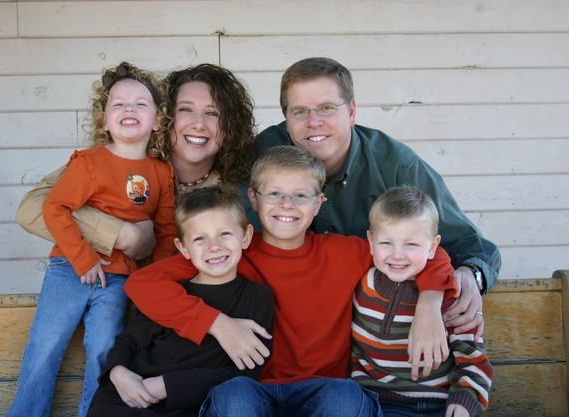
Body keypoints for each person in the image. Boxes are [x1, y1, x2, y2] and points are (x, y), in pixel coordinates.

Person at [126, 146, 458, 416]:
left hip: (323, 389)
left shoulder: (346, 252)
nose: (287, 205)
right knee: (233, 397)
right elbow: (142, 284)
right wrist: (216, 324)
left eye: (301, 195)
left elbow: (429, 255)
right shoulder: (230, 253)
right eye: (274, 193)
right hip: (253, 387)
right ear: (253, 199)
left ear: (318, 203)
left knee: (346, 398)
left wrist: (430, 304)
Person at [255, 57, 501, 340]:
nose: (314, 122)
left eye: (327, 108)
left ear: (351, 111)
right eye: (299, 112)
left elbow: (467, 244)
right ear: (286, 118)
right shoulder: (263, 158)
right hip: (288, 332)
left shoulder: (397, 167)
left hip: (380, 333)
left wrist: (470, 275)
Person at [7, 62, 177, 417]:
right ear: (104, 120)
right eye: (119, 104)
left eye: (140, 104)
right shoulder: (89, 162)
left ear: (158, 120)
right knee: (45, 345)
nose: (129, 109)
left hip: (118, 279)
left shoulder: (162, 173)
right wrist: (83, 259)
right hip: (70, 268)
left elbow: (165, 234)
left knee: (103, 350)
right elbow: (55, 207)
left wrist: (161, 283)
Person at [15, 63, 256, 262]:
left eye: (212, 113)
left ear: (230, 127)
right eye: (185, 109)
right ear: (162, 116)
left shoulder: (240, 193)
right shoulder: (118, 159)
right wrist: (123, 235)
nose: (199, 124)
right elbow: (31, 209)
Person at [86, 185, 274, 417]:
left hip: (188, 403)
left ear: (245, 236)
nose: (214, 247)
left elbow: (244, 374)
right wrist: (118, 372)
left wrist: (167, 385)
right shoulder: (171, 292)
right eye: (200, 238)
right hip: (133, 395)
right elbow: (130, 341)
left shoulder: (257, 297)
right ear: (183, 249)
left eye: (224, 233)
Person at [351, 186, 492, 417]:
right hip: (377, 402)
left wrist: (466, 399)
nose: (397, 255)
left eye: (411, 244)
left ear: (433, 247)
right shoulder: (361, 286)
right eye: (386, 243)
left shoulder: (449, 295)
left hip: (440, 404)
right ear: (370, 240)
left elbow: (473, 356)